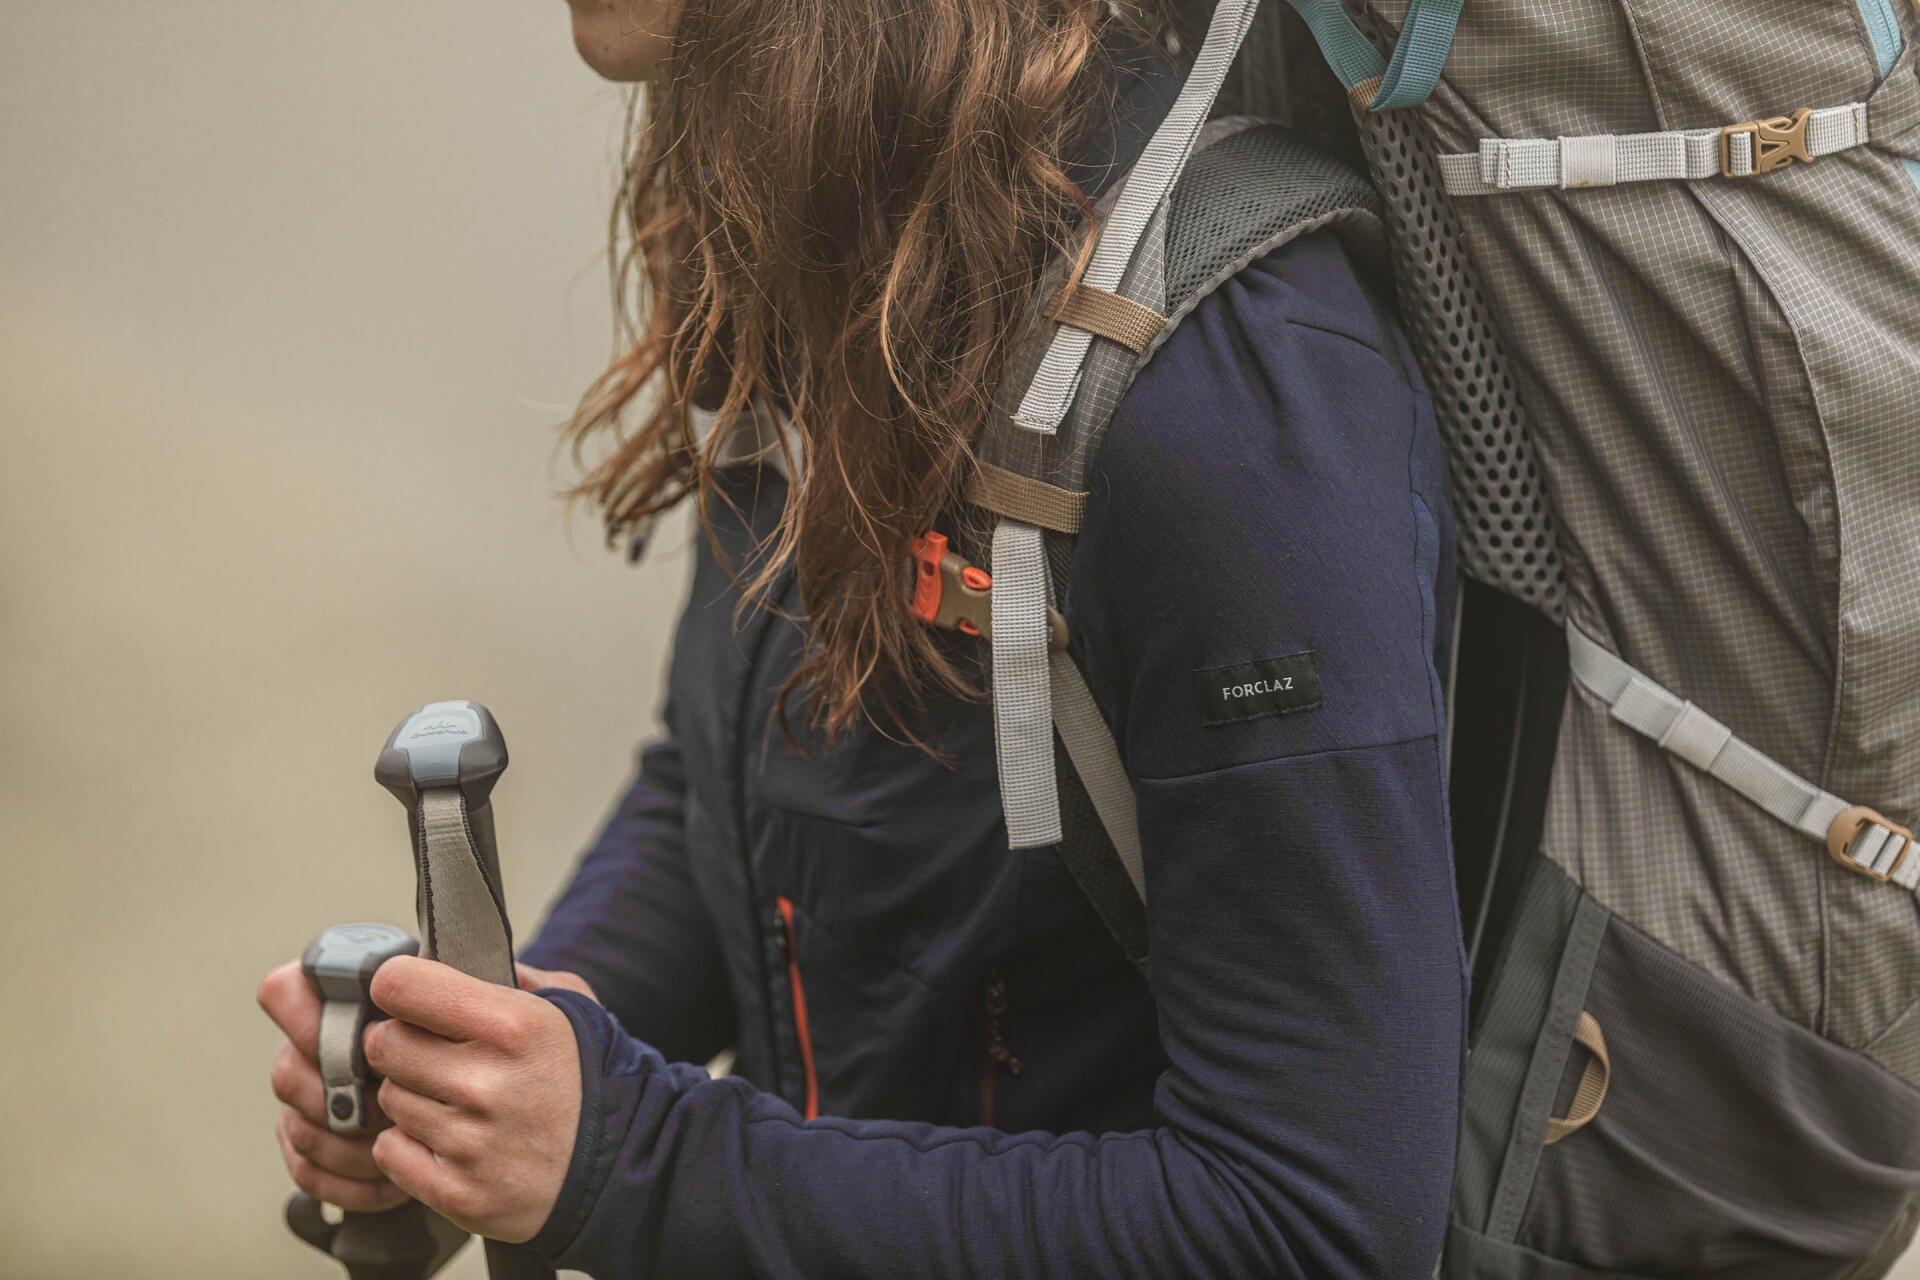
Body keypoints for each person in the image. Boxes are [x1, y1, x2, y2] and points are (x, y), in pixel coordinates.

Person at [257, 1, 1467, 1275]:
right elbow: (733, 763)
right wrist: (499, 1079)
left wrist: (628, 1156)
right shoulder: (826, 189)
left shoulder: (1227, 389)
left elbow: (1312, 1221)